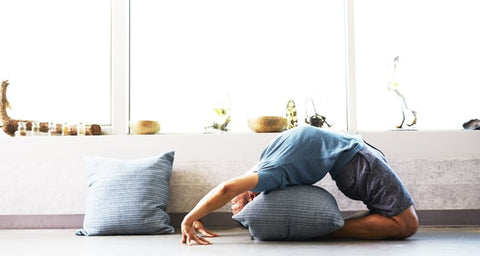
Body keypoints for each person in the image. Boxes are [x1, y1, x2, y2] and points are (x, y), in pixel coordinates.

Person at [181, 126, 419, 245]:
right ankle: (328, 231)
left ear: (251, 196)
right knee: (407, 224)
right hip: (356, 160)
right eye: (234, 209)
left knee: (402, 222)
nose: (232, 206)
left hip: (357, 160)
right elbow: (228, 190)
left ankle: (331, 230)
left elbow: (225, 189)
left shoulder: (268, 170)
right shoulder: (270, 166)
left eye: (234, 206)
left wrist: (190, 217)